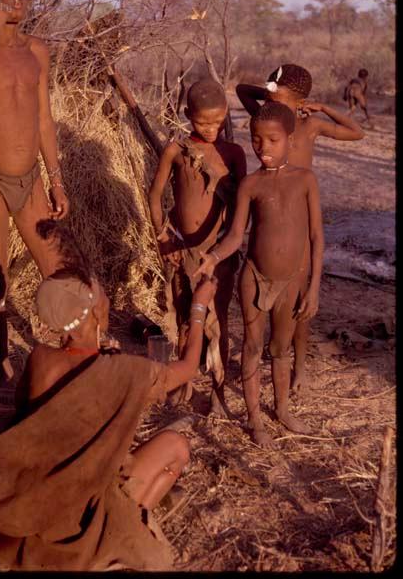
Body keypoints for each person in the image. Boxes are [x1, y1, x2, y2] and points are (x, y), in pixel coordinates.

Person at [0, 221, 218, 571]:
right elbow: (189, 366)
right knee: (177, 448)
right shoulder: (124, 372)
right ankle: (118, 536)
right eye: (99, 294)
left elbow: (32, 421)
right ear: (92, 314)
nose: (105, 296)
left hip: (35, 498)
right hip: (81, 511)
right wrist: (199, 308)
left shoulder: (40, 360)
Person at [195, 102, 324, 445]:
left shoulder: (305, 180)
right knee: (252, 347)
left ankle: (281, 410)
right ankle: (255, 419)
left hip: (293, 280)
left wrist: (313, 288)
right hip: (255, 276)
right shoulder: (250, 185)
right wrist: (213, 256)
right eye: (256, 139)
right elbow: (237, 235)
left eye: (272, 140)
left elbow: (316, 238)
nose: (262, 148)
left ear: (290, 139)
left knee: (279, 349)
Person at [0, 0, 69, 400]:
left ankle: (75, 351)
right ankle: (1, 362)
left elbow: (44, 120)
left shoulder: (37, 51)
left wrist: (56, 178)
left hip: (29, 176)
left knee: (59, 268)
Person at [236, 64, 363, 393]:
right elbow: (240, 90)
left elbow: (356, 132)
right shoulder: (270, 118)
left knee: (300, 301)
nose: (271, 100)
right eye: (269, 96)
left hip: (300, 214)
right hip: (273, 209)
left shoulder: (310, 126)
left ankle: (299, 367)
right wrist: (270, 92)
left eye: (280, 96)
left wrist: (323, 107)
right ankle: (272, 357)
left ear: (302, 100)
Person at [149, 78, 246, 415]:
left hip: (218, 252)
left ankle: (219, 390)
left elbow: (241, 206)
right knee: (182, 316)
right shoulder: (176, 150)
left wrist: (224, 247)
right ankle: (181, 384)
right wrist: (164, 237)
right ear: (188, 114)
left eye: (218, 122)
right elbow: (155, 195)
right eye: (203, 121)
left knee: (218, 317)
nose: (211, 129)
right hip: (180, 249)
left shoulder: (232, 153)